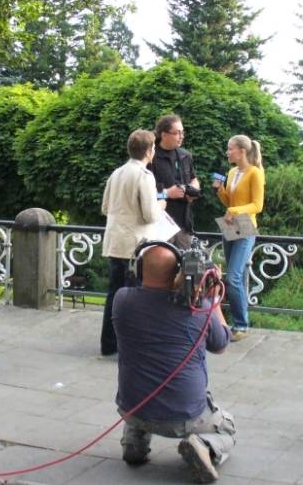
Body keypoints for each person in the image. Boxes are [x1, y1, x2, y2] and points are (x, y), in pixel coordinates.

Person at [112, 245, 236, 483]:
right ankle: (203, 445)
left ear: (138, 269)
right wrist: (212, 299)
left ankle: (134, 441)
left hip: (132, 407)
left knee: (144, 386)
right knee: (227, 427)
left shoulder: (122, 300)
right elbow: (221, 344)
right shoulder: (198, 308)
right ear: (178, 271)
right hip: (185, 416)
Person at [100, 129, 166, 356]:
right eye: (153, 148)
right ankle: (130, 346)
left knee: (114, 294)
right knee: (134, 297)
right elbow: (150, 215)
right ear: (148, 151)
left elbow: (105, 207)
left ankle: (108, 344)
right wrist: (160, 205)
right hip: (135, 245)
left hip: (115, 241)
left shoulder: (116, 173)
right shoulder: (144, 176)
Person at [213, 135, 264, 342]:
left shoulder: (255, 173)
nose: (227, 152)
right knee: (236, 276)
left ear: (242, 151)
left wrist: (234, 210)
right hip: (231, 224)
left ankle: (241, 325)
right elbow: (229, 201)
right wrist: (219, 190)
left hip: (245, 225)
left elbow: (257, 205)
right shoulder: (232, 172)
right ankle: (237, 324)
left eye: (230, 148)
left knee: (233, 277)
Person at [150, 114, 200, 234]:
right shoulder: (150, 157)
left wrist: (193, 188)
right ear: (164, 135)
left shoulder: (185, 155)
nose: (181, 136)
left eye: (182, 132)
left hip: (184, 224)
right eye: (177, 133)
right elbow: (142, 195)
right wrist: (167, 193)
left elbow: (193, 179)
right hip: (161, 225)